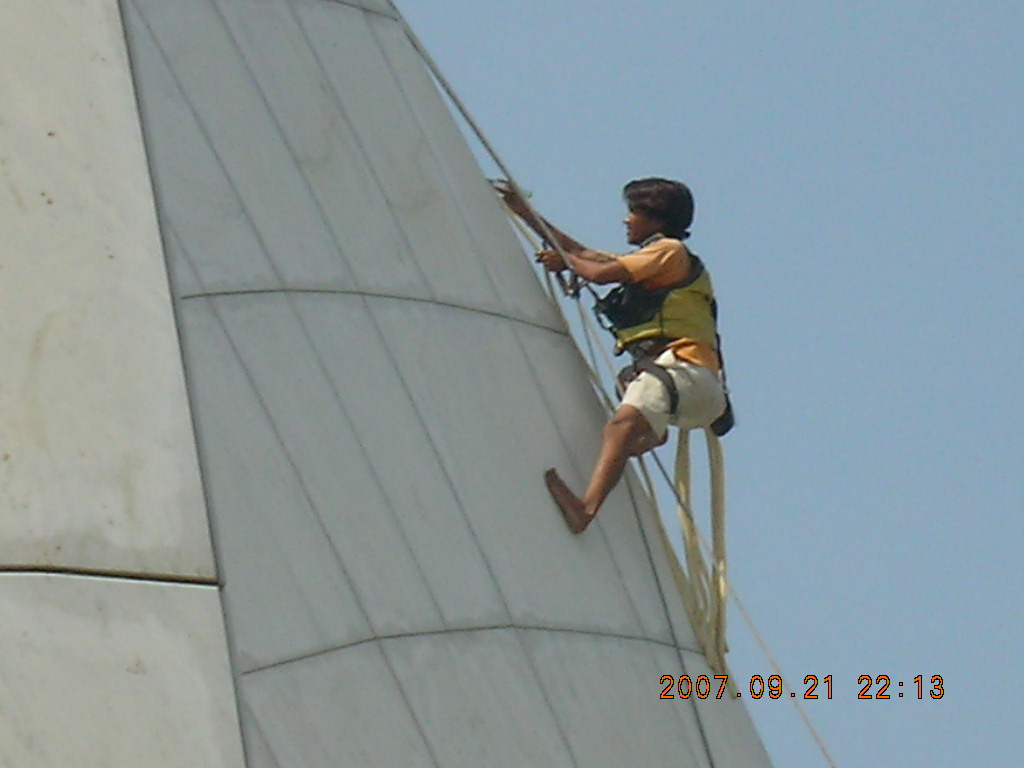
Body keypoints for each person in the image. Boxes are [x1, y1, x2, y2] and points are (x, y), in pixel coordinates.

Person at [499, 178, 729, 533]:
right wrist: (526, 214)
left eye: (633, 212)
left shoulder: (669, 251)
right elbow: (587, 255)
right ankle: (652, 432)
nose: (626, 220)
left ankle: (586, 509)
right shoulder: (654, 257)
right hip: (688, 386)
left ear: (656, 218)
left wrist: (566, 262)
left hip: (684, 373)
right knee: (629, 396)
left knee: (619, 427)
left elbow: (599, 272)